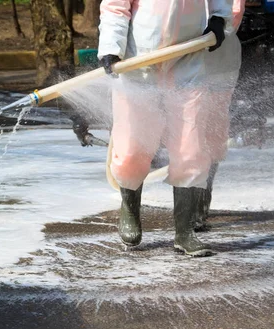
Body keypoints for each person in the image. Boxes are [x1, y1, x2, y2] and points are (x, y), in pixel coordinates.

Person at [98, 0, 234, 257]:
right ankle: (129, 208)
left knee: (190, 146)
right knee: (132, 145)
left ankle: (184, 232)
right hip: (137, 62)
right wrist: (111, 48)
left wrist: (219, 19)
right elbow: (116, 6)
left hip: (188, 60)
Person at [194, 0, 246, 231]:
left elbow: (233, 13)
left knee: (213, 126)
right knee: (188, 125)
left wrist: (216, 29)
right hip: (180, 56)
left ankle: (203, 191)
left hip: (220, 56)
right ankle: (189, 193)